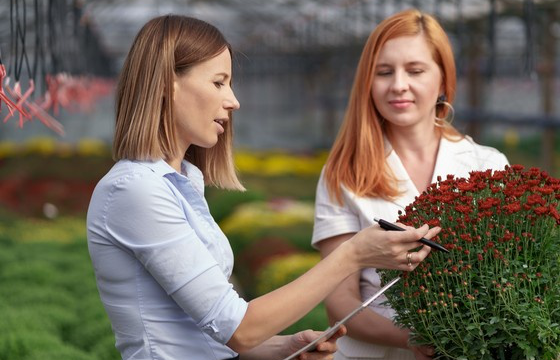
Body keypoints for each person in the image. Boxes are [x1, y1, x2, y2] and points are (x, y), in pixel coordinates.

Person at [86, 14, 441, 360]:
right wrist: (352, 255)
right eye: (218, 82)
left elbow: (204, 334)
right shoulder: (136, 190)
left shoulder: (180, 183)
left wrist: (282, 347)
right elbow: (239, 328)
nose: (233, 100)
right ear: (168, 83)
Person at [312, 8, 509, 360]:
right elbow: (340, 301)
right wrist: (412, 339)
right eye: (384, 72)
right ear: (367, 83)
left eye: (415, 70)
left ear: (443, 80)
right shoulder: (344, 172)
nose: (398, 84)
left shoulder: (488, 165)